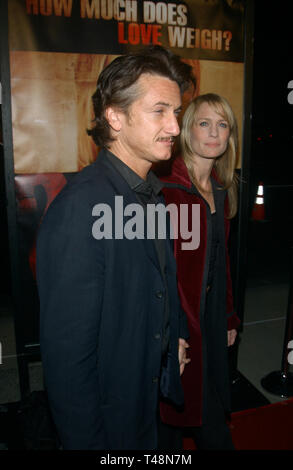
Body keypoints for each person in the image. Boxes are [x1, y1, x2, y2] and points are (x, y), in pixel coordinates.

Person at [36, 46, 195, 450]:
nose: (175, 127)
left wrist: (169, 338)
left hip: (146, 406)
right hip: (109, 426)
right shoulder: (81, 207)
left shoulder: (152, 193)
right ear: (115, 116)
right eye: (160, 110)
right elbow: (68, 361)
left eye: (176, 112)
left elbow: (156, 283)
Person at [158, 93, 241, 450]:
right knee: (183, 413)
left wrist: (227, 317)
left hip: (206, 319)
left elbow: (220, 265)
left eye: (223, 125)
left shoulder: (221, 190)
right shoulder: (168, 191)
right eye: (204, 123)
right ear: (186, 131)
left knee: (191, 408)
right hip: (176, 324)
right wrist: (170, 333)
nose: (214, 133)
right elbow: (161, 275)